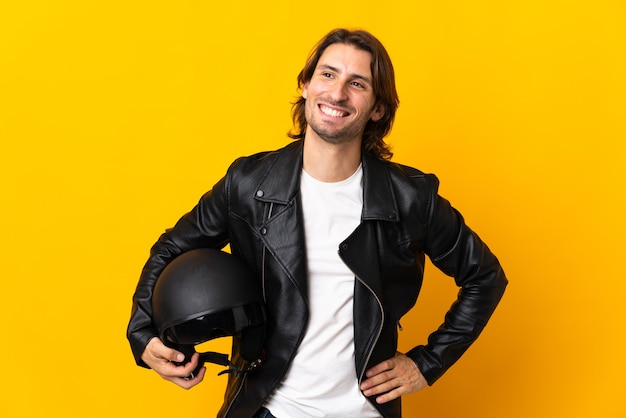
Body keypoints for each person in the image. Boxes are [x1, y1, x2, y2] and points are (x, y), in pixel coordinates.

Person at [127, 28, 508, 418]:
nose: (338, 93)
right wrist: (143, 335)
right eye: (327, 74)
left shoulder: (411, 198)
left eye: (357, 83)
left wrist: (427, 364)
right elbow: (172, 249)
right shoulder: (247, 184)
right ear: (306, 85)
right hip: (268, 410)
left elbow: (485, 276)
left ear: (378, 107)